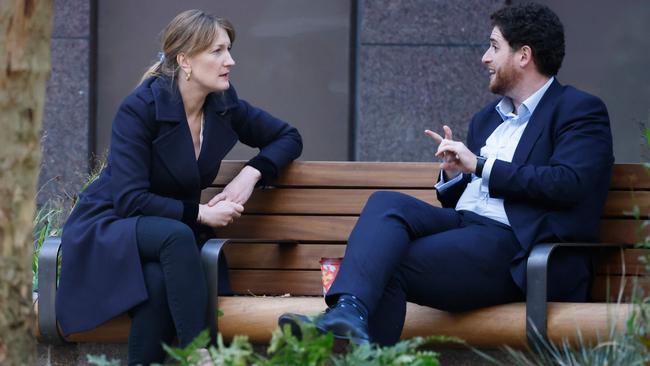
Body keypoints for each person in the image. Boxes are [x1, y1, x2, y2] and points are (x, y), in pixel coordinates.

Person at [280, 2, 613, 346]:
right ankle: (347, 311)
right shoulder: (488, 119)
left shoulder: (578, 110)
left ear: (524, 55)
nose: (485, 57)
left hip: (520, 248)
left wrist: (480, 166)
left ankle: (353, 326)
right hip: (470, 229)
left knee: (390, 264)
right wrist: (455, 176)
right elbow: (469, 197)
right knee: (386, 203)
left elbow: (570, 183)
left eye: (494, 47)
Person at [55, 9, 302, 365]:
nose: (229, 61)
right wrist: (202, 213)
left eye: (229, 50)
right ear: (185, 60)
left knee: (156, 284)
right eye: (217, 51)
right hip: (111, 225)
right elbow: (129, 199)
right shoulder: (141, 108)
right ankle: (199, 353)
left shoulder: (224, 106)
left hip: (170, 234)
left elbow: (287, 136)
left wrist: (250, 175)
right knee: (177, 235)